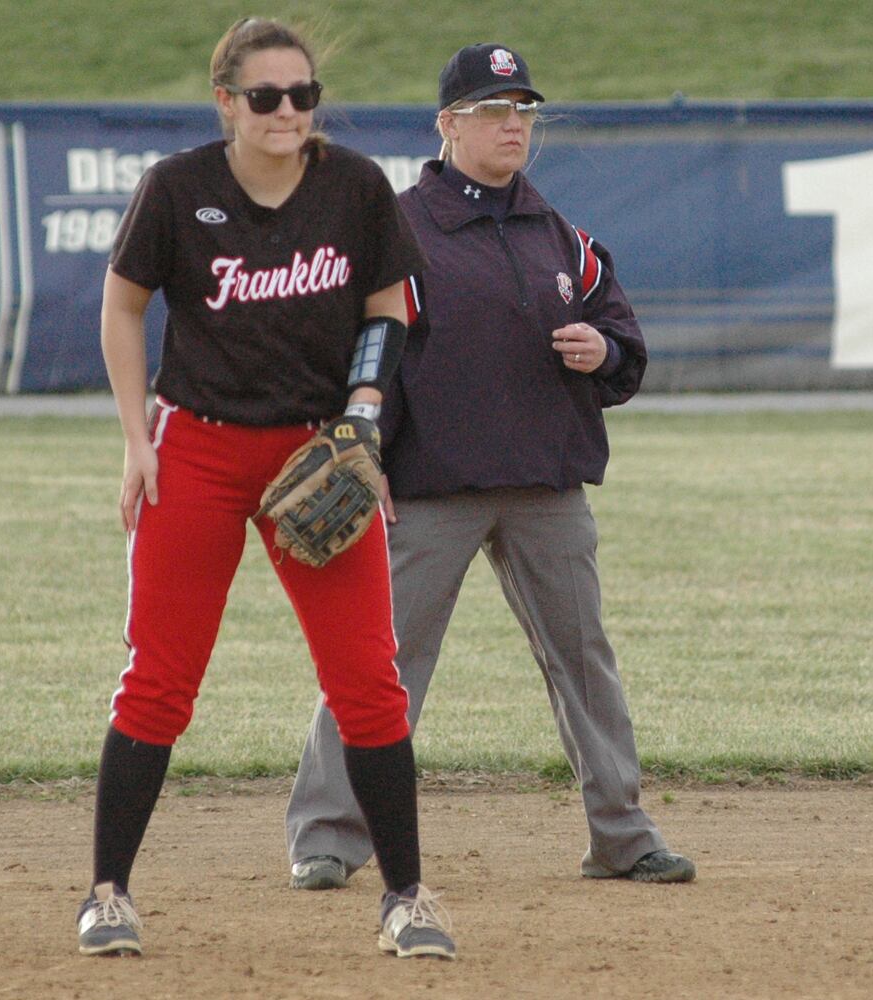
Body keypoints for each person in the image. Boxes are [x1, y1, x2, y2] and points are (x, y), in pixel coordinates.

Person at [79, 17, 454, 960]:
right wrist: (136, 440)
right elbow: (123, 309)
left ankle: (406, 896)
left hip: (313, 456)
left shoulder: (355, 187)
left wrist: (365, 404)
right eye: (266, 97)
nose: (287, 112)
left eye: (303, 95)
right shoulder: (179, 189)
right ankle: (107, 892)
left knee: (370, 679)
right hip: (196, 450)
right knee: (160, 679)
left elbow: (388, 304)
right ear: (227, 103)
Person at [284, 42, 695, 890]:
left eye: (525, 111)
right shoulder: (398, 228)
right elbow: (363, 348)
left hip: (547, 485)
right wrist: (366, 452)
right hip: (429, 485)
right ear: (448, 125)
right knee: (380, 662)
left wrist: (603, 348)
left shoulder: (560, 236)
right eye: (494, 110)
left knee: (587, 664)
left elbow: (628, 351)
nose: (515, 125)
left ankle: (621, 836)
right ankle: (327, 835)